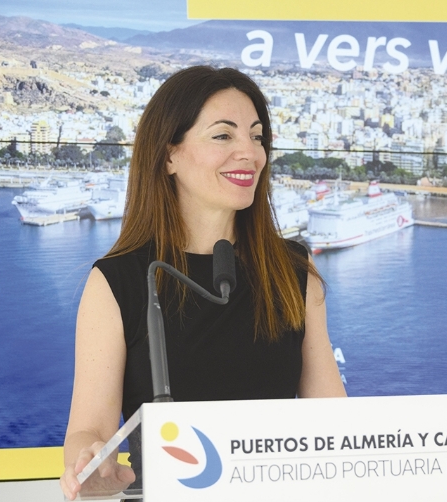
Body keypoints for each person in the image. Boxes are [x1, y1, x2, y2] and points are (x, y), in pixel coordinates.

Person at [59, 66, 346, 499]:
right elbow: (87, 430)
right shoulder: (118, 281)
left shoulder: (293, 272)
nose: (249, 152)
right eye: (223, 136)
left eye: (256, 135)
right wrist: (91, 464)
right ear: (169, 154)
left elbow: (336, 424)